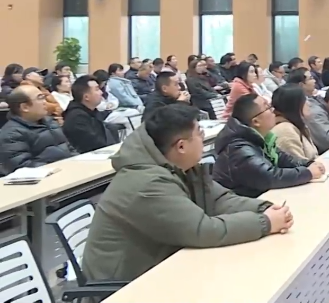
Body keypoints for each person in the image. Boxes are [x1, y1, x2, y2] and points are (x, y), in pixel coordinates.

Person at [82, 103, 293, 282]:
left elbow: (219, 200)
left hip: (161, 268)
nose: (204, 138)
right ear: (181, 146)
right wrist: (265, 222)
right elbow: (202, 230)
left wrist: (264, 208)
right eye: (199, 133)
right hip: (127, 287)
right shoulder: (147, 183)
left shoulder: (179, 167)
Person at [212, 94, 323, 198]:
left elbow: (283, 159)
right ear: (256, 122)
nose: (273, 110)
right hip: (246, 203)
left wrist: (308, 164)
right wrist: (307, 173)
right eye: (268, 107)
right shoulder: (238, 149)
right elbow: (269, 177)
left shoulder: (260, 136)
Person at [0, 85, 74, 174]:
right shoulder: (12, 134)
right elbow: (22, 167)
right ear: (25, 107)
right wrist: (58, 169)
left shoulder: (51, 122)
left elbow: (70, 149)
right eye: (40, 98)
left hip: (69, 171)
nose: (45, 102)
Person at [63, 75, 121, 153]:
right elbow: (93, 145)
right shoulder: (76, 118)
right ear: (86, 97)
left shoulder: (92, 112)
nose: (101, 92)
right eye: (97, 89)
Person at [270, 84, 318, 161]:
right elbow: (300, 164)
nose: (308, 104)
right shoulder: (285, 131)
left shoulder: (295, 124)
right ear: (295, 105)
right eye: (304, 100)